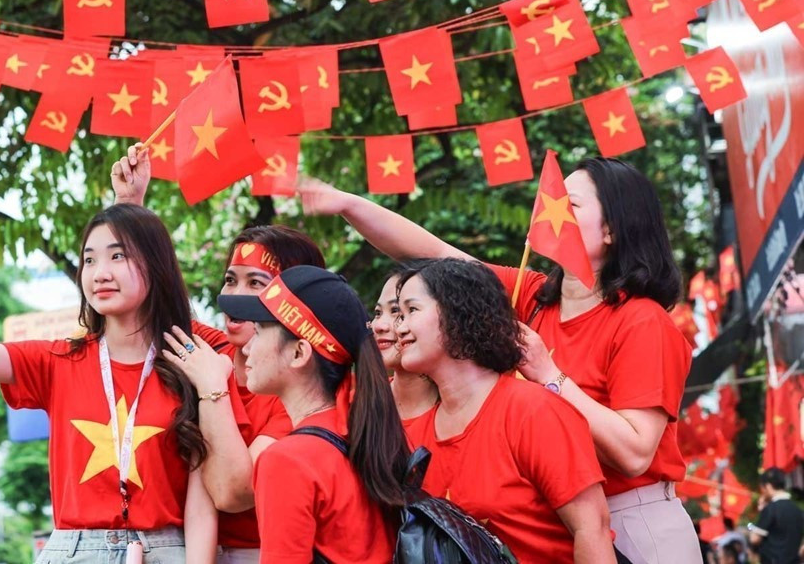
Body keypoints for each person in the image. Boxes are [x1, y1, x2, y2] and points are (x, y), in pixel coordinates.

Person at [299, 157, 699, 563]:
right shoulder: (534, 296)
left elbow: (634, 454)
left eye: (569, 204)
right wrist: (348, 204)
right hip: (554, 516)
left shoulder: (643, 320)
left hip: (630, 517)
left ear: (613, 228)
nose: (548, 210)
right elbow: (436, 254)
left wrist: (550, 376)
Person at [0, 196, 218, 563]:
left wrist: (132, 207)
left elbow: (202, 497)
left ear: (156, 263)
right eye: (89, 260)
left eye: (118, 255)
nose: (100, 273)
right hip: (75, 551)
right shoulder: (56, 360)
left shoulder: (194, 360)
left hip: (168, 550)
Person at [111, 144, 325, 563]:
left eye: (257, 284)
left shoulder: (302, 386)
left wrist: (213, 390)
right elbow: (153, 307)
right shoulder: (212, 348)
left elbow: (234, 492)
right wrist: (128, 207)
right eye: (231, 280)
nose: (235, 298)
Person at [395, 258, 614, 562]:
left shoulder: (532, 411)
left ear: (456, 312)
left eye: (411, 311)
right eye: (398, 315)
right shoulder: (415, 437)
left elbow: (593, 529)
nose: (398, 328)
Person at [210, 265, 411, 563]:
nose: (248, 347)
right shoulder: (358, 432)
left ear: (298, 353)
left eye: (261, 330)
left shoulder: (287, 460)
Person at [371, 265, 438, 424]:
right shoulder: (357, 402)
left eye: (396, 311)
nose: (380, 325)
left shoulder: (463, 409)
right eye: (378, 313)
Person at [749, 467, 804, 564]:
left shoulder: (771, 509)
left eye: (762, 488)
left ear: (768, 486)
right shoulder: (797, 510)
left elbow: (754, 538)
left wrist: (761, 512)